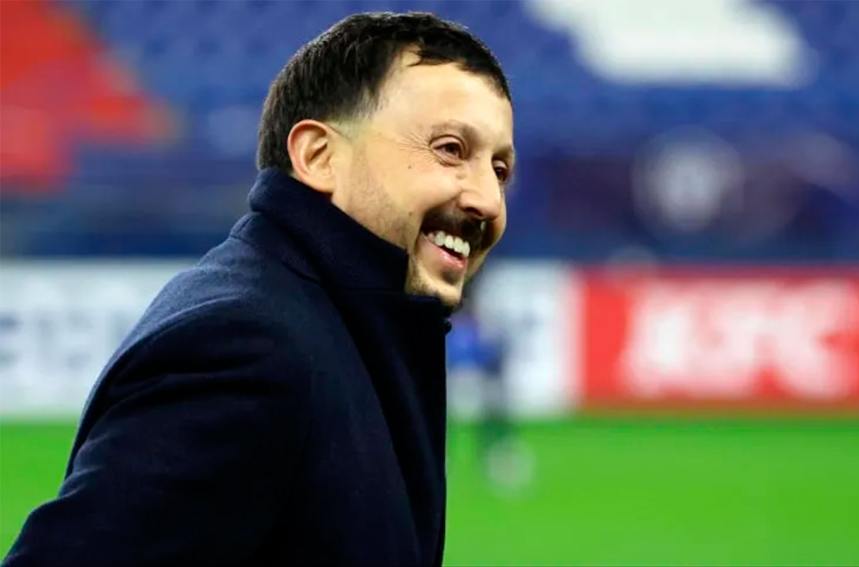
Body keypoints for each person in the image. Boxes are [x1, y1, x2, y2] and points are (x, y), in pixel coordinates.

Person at [4, 11, 514, 566]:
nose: (488, 201)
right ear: (318, 156)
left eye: (500, 170)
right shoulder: (247, 348)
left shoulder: (337, 326)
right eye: (449, 149)